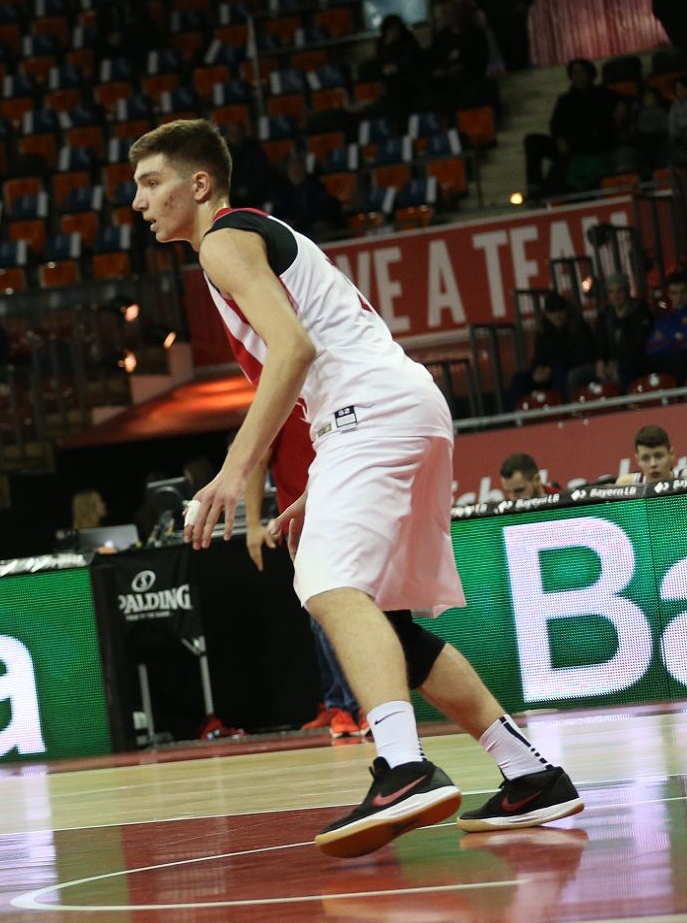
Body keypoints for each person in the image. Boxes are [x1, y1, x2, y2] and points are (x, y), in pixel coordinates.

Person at [131, 118, 583, 857]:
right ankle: (529, 775)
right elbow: (315, 352)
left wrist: (233, 471)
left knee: (329, 583)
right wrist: (317, 480)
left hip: (369, 413)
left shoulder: (224, 240)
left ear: (200, 184)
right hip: (396, 413)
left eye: (152, 183)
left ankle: (403, 767)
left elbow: (295, 350)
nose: (140, 202)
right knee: (392, 628)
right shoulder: (254, 239)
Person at [245, 404, 362, 741]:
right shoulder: (283, 399)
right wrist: (252, 524)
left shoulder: (337, 394)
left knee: (334, 611)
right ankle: (343, 703)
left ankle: (350, 703)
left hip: (347, 513)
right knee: (320, 613)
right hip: (303, 526)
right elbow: (255, 458)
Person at [524, 60, 620, 199]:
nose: (577, 76)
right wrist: (559, 139)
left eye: (580, 72)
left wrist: (621, 107)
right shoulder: (565, 99)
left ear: (589, 74)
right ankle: (534, 186)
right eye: (574, 73)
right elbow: (555, 124)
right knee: (532, 141)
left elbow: (622, 101)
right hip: (567, 145)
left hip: (592, 145)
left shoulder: (602, 94)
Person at [508, 294, 597, 403]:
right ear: (546, 314)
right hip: (550, 372)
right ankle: (517, 415)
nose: (557, 315)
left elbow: (583, 356)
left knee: (561, 375)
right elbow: (538, 357)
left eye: (560, 310)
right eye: (552, 312)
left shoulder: (579, 328)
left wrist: (552, 368)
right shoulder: (543, 333)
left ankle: (563, 410)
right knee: (519, 380)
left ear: (566, 311)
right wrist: (537, 370)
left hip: (573, 369)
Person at [594, 275, 655, 386]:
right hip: (611, 362)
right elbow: (600, 342)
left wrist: (617, 364)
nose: (615, 296)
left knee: (623, 370)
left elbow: (639, 344)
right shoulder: (604, 315)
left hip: (637, 359)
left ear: (627, 292)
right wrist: (600, 360)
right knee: (577, 375)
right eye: (611, 292)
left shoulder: (640, 310)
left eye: (619, 291)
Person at [367, 15, 428, 121]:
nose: (394, 32)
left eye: (396, 28)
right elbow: (380, 64)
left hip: (409, 80)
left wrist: (398, 68)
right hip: (390, 82)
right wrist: (387, 45)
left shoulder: (408, 40)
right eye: (391, 29)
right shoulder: (382, 43)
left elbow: (412, 62)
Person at [270, 159, 341, 236]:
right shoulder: (282, 191)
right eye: (293, 170)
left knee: (320, 226)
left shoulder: (315, 186)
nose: (296, 172)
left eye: (299, 169)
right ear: (288, 172)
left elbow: (322, 208)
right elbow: (277, 214)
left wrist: (301, 220)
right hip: (293, 226)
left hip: (312, 224)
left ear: (304, 169)